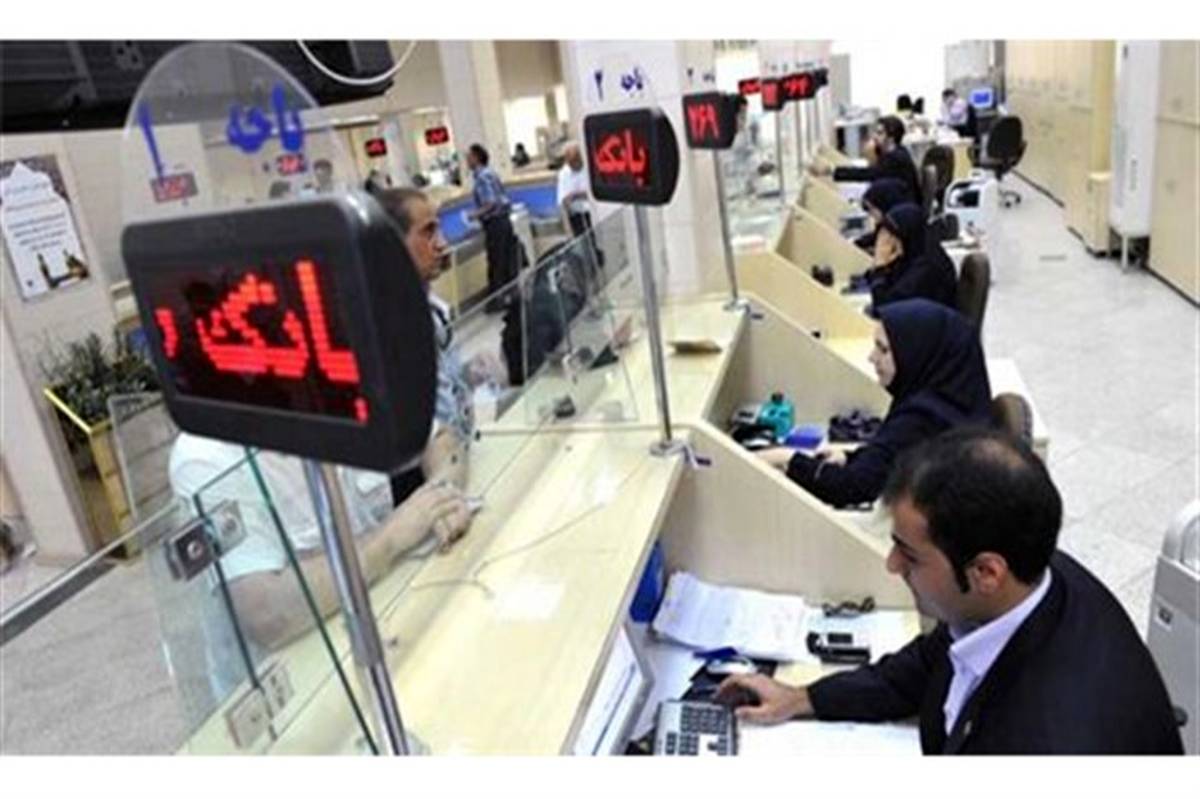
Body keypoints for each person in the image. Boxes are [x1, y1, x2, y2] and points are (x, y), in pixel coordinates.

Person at [721, 428, 1184, 755]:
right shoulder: (1028, 578)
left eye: (909, 555)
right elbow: (930, 661)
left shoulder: (1043, 743)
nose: (892, 564)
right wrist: (802, 698)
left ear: (986, 572)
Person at [168, 433, 472, 651]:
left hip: (388, 617)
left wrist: (441, 498)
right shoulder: (204, 455)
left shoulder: (338, 379)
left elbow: (440, 439)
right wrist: (390, 538)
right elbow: (266, 614)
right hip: (300, 675)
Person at [757, 299, 991, 508]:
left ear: (914, 354)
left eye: (883, 349)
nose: (872, 357)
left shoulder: (922, 417)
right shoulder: (947, 403)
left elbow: (853, 487)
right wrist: (850, 458)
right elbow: (890, 459)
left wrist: (787, 457)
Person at [373, 187, 477, 503]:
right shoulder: (386, 328)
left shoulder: (431, 309)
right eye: (427, 232)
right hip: (424, 487)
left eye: (438, 229)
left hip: (457, 465)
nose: (441, 244)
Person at [810, 116, 922, 207]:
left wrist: (832, 171)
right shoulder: (896, 152)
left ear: (891, 138)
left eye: (880, 133)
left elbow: (868, 174)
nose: (874, 137)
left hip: (903, 206)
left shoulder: (895, 158)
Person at [866, 202, 958, 312]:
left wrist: (879, 266)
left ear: (905, 235)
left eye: (892, 236)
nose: (888, 242)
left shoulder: (927, 267)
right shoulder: (915, 252)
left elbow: (884, 309)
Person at [466, 143, 519, 312]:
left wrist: (473, 215)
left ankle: (497, 301)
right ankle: (511, 296)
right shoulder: (491, 173)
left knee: (496, 261)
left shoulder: (481, 177)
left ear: (476, 157)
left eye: (468, 156)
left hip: (495, 224)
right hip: (504, 221)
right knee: (506, 260)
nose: (466, 160)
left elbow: (490, 203)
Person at [556, 141, 605, 276]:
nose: (573, 165)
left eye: (575, 161)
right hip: (577, 216)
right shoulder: (564, 174)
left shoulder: (590, 167)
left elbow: (594, 192)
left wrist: (576, 195)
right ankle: (589, 273)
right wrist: (573, 197)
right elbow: (563, 199)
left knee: (597, 246)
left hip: (593, 214)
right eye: (570, 162)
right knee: (582, 250)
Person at [853, 177, 914, 253]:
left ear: (882, 205)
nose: (871, 215)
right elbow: (875, 237)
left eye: (872, 209)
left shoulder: (901, 224)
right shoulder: (890, 222)